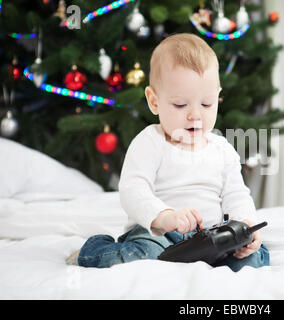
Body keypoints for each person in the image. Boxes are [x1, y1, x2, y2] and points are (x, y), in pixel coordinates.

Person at [65, 33, 269, 272]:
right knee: (141, 257)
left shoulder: (222, 149)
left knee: (253, 261)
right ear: (154, 101)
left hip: (214, 240)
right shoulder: (150, 142)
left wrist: (245, 223)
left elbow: (237, 194)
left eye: (206, 104)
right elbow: (133, 190)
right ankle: (92, 251)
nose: (195, 115)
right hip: (161, 237)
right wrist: (163, 216)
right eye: (181, 105)